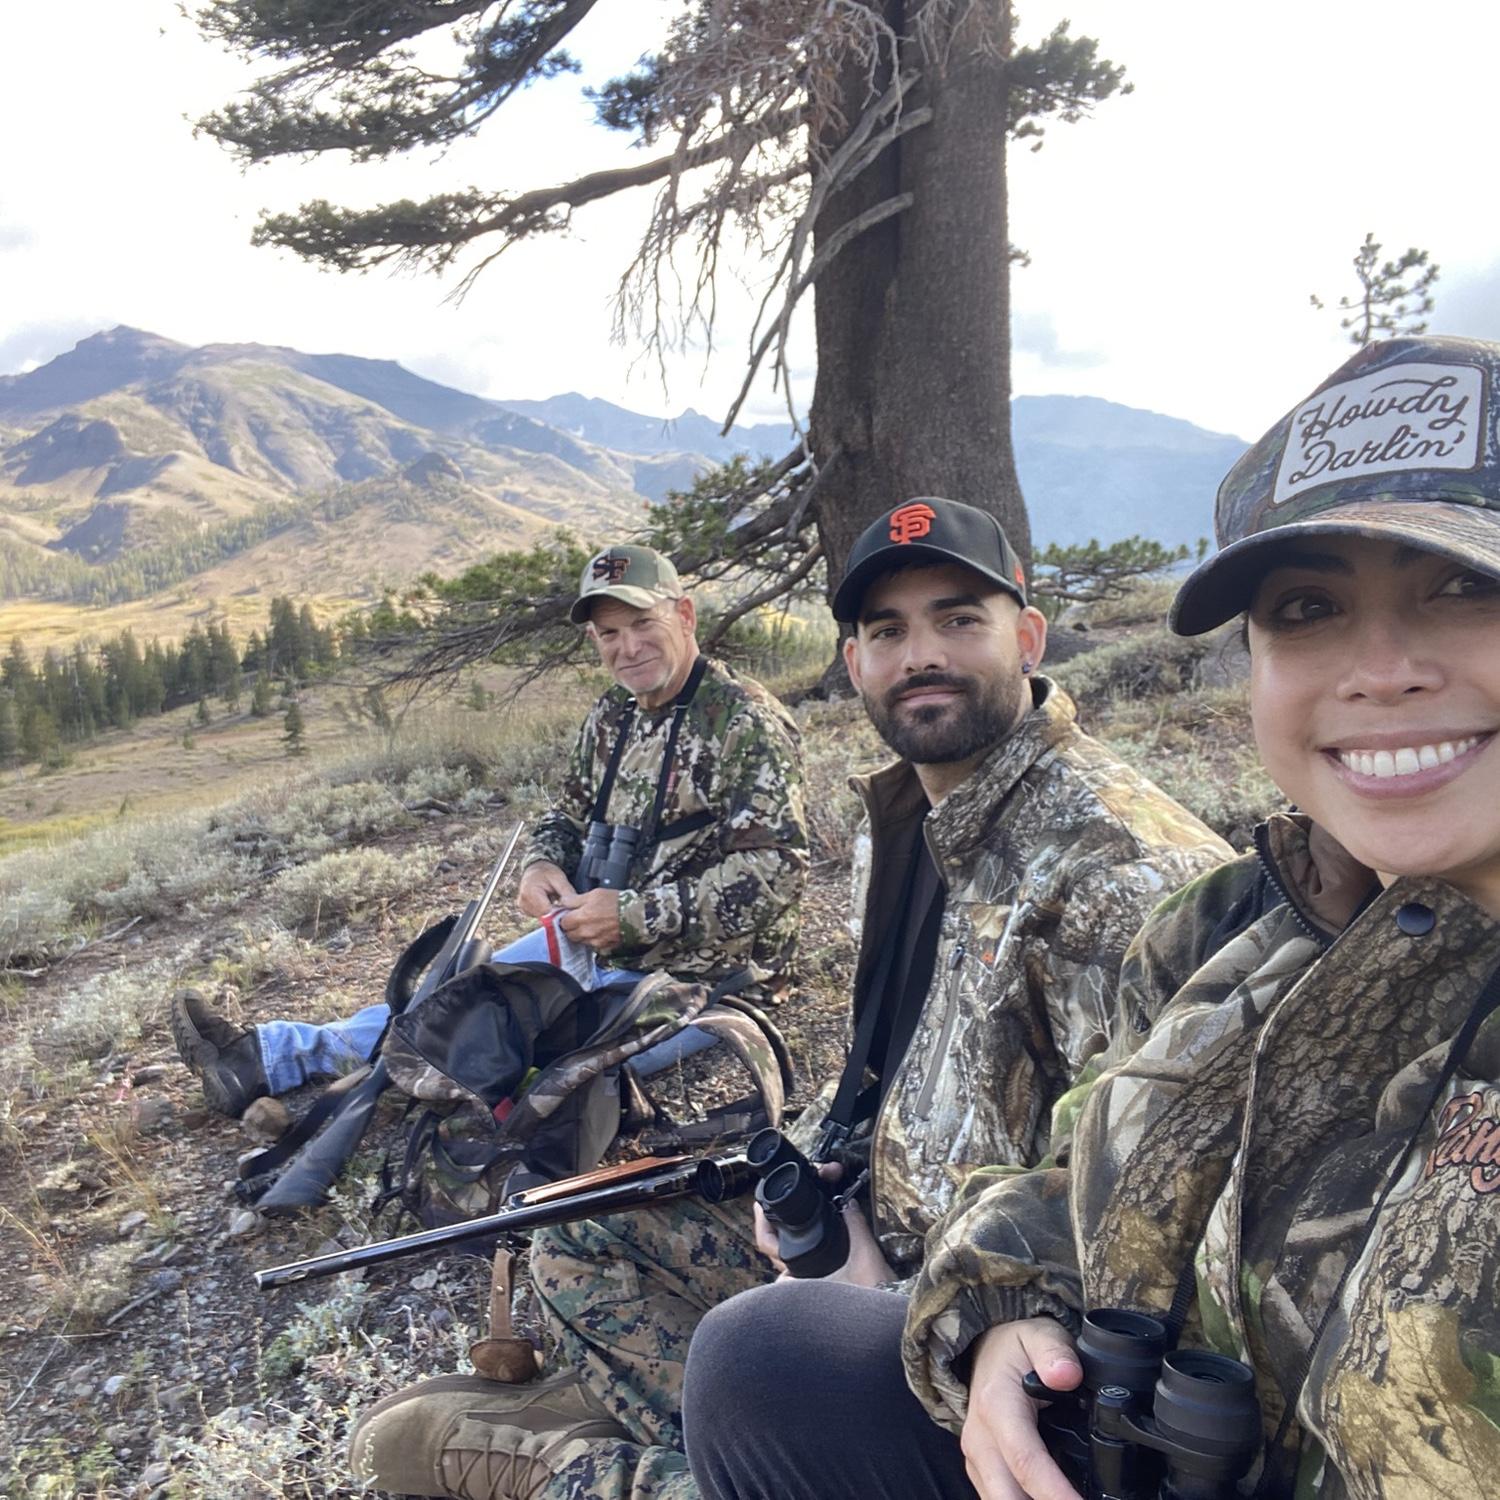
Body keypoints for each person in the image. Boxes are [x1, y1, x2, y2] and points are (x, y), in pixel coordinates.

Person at [684, 335, 1500, 1500]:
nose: (1382, 668)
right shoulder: (1245, 927)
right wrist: (1011, 1305)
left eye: (1466, 584)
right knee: (753, 1356)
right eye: (1310, 607)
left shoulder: (1127, 865)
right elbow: (1089, 1162)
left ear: (1029, 637)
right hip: (1101, 1426)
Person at [346, 496, 1232, 1500]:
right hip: (876, 1233)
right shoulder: (911, 816)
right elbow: (898, 1071)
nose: (920, 656)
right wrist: (819, 1180)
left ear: (1027, 638)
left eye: (958, 620)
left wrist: (925, 1301)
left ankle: (585, 1469)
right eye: (887, 631)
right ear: (853, 662)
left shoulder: (1128, 875)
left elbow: (1166, 1207)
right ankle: (715, 1442)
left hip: (995, 1336)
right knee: (578, 1238)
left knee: (744, 1354)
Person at [172, 543, 809, 1117]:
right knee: (450, 998)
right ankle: (262, 1059)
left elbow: (777, 873)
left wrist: (637, 916)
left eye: (644, 623)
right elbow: (565, 816)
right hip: (595, 943)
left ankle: (343, 1092)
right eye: (609, 632)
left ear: (686, 616)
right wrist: (540, 867)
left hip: (707, 980)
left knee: (500, 1042)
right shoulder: (613, 714)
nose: (628, 646)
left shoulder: (744, 723)